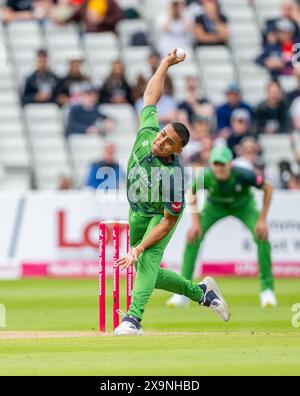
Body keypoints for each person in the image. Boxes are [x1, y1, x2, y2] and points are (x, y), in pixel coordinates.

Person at [114, 49, 230, 336]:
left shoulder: (175, 178)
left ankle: (133, 320)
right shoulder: (147, 133)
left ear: (178, 151)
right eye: (162, 135)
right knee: (147, 273)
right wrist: (165, 63)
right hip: (137, 210)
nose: (160, 142)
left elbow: (167, 222)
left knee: (147, 260)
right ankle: (201, 292)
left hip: (159, 216)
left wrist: (138, 248)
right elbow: (150, 98)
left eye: (168, 143)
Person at [167, 145, 276, 309]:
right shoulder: (206, 176)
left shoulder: (243, 174)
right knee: (193, 236)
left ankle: (267, 291)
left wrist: (262, 220)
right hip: (214, 207)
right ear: (211, 164)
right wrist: (195, 223)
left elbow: (268, 188)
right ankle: (183, 292)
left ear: (230, 164)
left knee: (262, 235)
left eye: (222, 164)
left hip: (244, 206)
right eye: (215, 164)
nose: (219, 168)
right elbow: (191, 192)